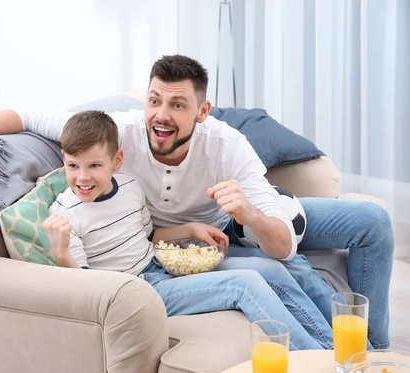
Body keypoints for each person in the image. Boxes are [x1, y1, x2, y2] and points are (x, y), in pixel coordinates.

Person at [0, 55, 394, 349]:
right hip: (166, 259)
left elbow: (282, 243)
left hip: (233, 225)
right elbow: (30, 115)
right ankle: (333, 363)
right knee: (265, 274)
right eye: (154, 101)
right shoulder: (114, 138)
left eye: (177, 104)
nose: (160, 116)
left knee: (358, 229)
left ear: (202, 112)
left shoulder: (225, 145)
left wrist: (247, 213)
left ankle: (366, 351)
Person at [42, 109, 333, 350]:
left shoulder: (129, 186)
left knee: (271, 269)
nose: (82, 177)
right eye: (72, 166)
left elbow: (149, 237)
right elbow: (84, 289)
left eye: (94, 165)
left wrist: (192, 229)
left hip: (160, 264)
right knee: (244, 285)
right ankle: (315, 365)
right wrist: (60, 252)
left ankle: (339, 354)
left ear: (116, 161)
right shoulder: (65, 214)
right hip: (137, 291)